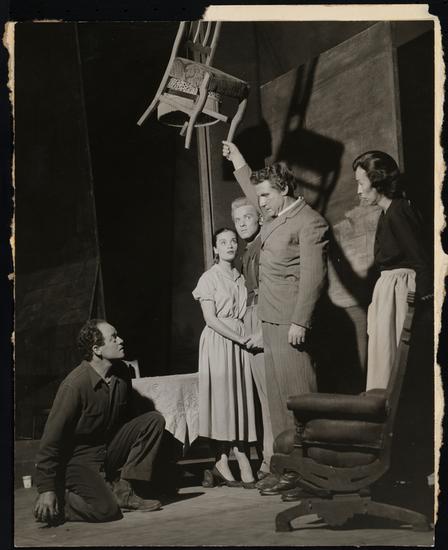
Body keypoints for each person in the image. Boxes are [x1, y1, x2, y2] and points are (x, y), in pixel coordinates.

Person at [223, 141, 329, 495]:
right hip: (268, 322)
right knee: (280, 403)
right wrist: (238, 160)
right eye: (260, 197)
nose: (260, 203)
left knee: (300, 400)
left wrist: (301, 321)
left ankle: (311, 473)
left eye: (266, 196)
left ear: (284, 190)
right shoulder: (275, 215)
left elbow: (314, 277)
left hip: (290, 325)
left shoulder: (309, 223)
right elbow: (254, 192)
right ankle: (288, 468)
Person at [34, 320, 165, 525]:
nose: (121, 340)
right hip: (79, 460)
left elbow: (129, 421)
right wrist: (46, 489)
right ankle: (61, 500)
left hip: (108, 449)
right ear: (96, 349)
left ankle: (124, 491)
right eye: (113, 338)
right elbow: (51, 440)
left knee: (153, 420)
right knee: (106, 511)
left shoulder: (121, 372)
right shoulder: (74, 385)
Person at [353, 150, 432, 390]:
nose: (358, 191)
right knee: (386, 360)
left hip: (401, 294)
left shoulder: (399, 211)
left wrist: (418, 310)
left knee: (399, 363)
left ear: (377, 181)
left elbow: (421, 261)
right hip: (389, 294)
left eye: (361, 183)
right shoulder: (386, 213)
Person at [192, 227, 257, 488]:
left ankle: (233, 455)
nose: (230, 245)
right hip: (219, 341)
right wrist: (240, 339)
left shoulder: (241, 277)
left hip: (240, 339)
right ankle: (228, 457)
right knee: (223, 400)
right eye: (223, 242)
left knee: (238, 398)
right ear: (215, 249)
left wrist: (246, 337)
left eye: (233, 241)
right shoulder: (209, 278)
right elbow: (210, 319)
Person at [230, 196, 274, 485]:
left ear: (259, 218)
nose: (242, 223)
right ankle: (270, 458)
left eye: (247, 217)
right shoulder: (248, 251)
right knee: (262, 396)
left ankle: (273, 461)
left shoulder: (265, 244)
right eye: (237, 220)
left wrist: (262, 330)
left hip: (264, 316)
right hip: (251, 317)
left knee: (270, 397)